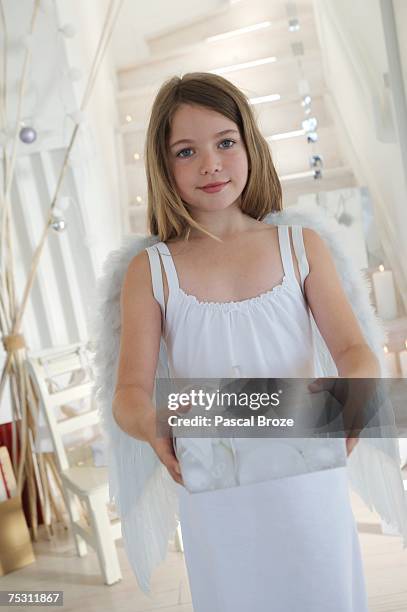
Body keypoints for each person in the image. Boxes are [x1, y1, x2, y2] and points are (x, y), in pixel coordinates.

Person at [111, 72, 380, 611]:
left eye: (225, 143)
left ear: (250, 144)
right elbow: (128, 393)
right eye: (186, 151)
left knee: (324, 592)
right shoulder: (152, 271)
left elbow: (353, 348)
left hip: (305, 477)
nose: (210, 164)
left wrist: (354, 395)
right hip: (217, 490)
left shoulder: (300, 246)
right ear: (163, 167)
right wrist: (153, 423)